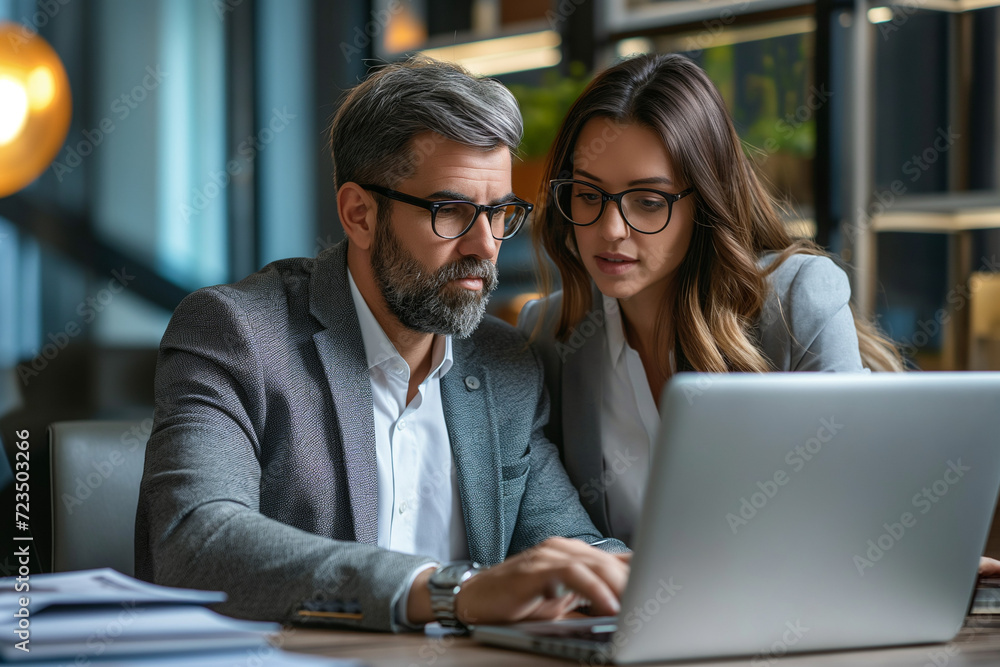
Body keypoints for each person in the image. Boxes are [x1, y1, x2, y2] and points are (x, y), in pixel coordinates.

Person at [135, 55, 629, 633]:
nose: (485, 246)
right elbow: (195, 543)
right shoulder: (236, 334)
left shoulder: (503, 363)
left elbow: (570, 546)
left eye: (499, 213)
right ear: (359, 214)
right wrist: (449, 593)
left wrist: (638, 577)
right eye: (451, 212)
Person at [518, 53, 904, 547]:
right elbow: (565, 539)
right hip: (619, 621)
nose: (610, 230)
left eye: (649, 201)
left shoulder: (797, 300)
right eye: (588, 195)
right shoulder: (549, 335)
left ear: (704, 200)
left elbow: (853, 504)